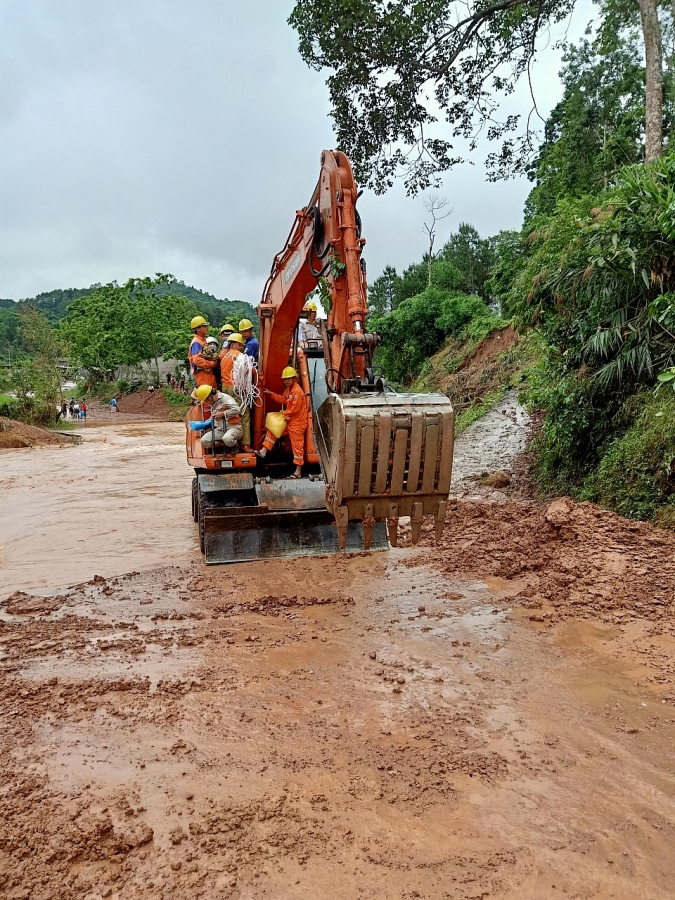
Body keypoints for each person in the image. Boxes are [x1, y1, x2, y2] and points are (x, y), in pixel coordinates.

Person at [256, 366, 307, 478]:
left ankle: (297, 472)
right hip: (289, 421)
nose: (286, 380)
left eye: (289, 378)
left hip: (297, 423)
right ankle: (264, 451)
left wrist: (282, 413)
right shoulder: (289, 390)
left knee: (297, 447)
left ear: (295, 379)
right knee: (273, 430)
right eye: (285, 379)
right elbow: (283, 399)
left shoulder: (297, 391)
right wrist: (271, 394)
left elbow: (295, 410)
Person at [219, 333, 252, 451]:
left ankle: (232, 443)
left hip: (225, 389)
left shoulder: (224, 358)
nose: (241, 347)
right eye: (239, 344)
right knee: (244, 414)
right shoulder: (240, 356)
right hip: (236, 388)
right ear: (233, 344)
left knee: (230, 415)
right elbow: (247, 372)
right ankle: (245, 444)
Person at [191, 384, 243, 449]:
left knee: (227, 438)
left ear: (210, 397)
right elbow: (214, 416)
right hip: (220, 430)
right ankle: (225, 444)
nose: (207, 402)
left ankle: (235, 445)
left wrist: (223, 414)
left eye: (206, 400)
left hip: (233, 428)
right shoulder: (213, 404)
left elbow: (237, 409)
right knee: (204, 441)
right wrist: (205, 424)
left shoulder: (225, 398)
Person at [188, 315, 218, 390]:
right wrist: (212, 364)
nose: (207, 327)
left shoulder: (202, 340)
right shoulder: (196, 343)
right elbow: (197, 360)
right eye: (204, 326)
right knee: (208, 398)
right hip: (203, 375)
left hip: (207, 374)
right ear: (198, 329)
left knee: (213, 397)